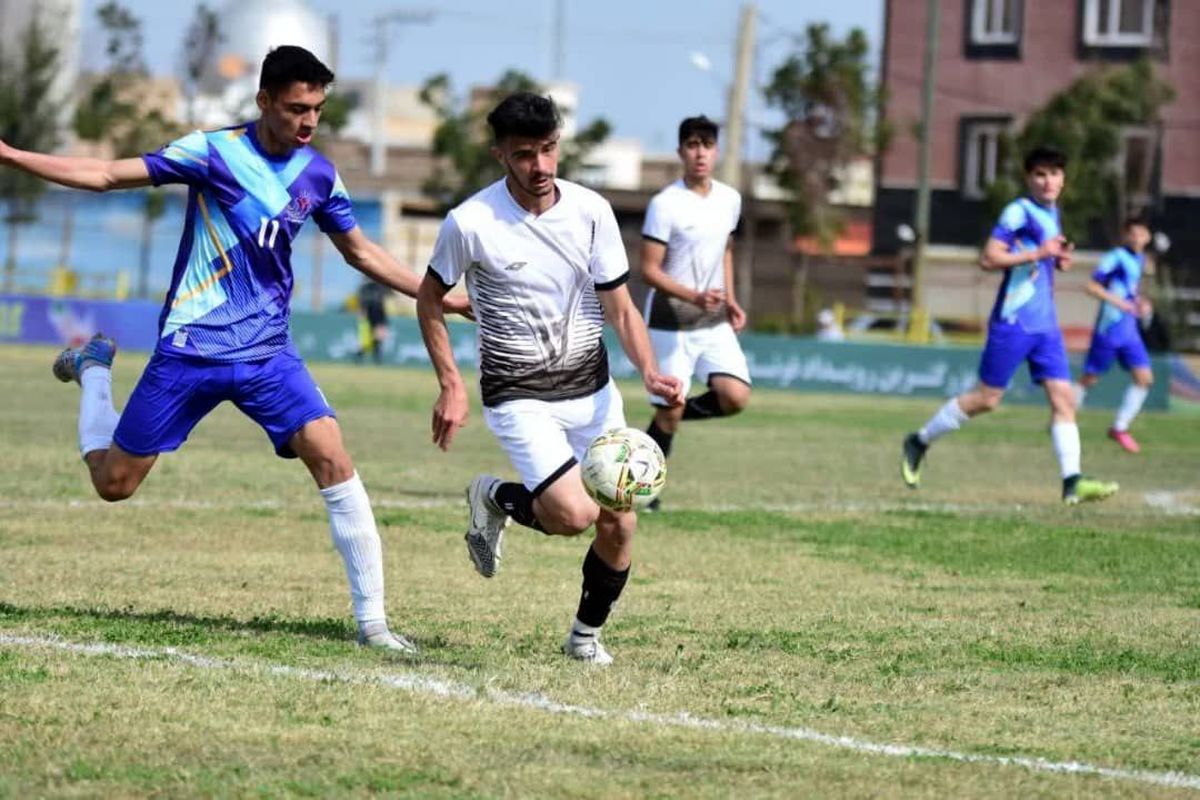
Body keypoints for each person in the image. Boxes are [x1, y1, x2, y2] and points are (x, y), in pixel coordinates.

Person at [0, 45, 471, 654]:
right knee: (114, 484)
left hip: (268, 355)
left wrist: (439, 295)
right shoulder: (212, 152)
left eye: (318, 110)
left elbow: (361, 253)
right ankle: (94, 371)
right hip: (190, 350)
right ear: (264, 101)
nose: (308, 122)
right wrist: (10, 155)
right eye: (297, 108)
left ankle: (374, 624)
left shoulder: (319, 175)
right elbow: (106, 176)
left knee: (333, 458)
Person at [415, 92, 684, 666]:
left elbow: (621, 308)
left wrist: (651, 371)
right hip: (518, 393)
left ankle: (584, 637)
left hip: (591, 390)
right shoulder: (471, 222)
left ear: (558, 144)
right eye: (523, 155)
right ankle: (493, 495)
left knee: (620, 522)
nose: (538, 166)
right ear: (500, 156)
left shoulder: (592, 211)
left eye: (547, 150)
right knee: (572, 515)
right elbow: (429, 298)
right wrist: (451, 383)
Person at [899, 146, 1118, 504]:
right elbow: (989, 258)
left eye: (1055, 174)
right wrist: (1038, 254)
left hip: (1045, 325)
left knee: (1064, 400)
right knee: (987, 399)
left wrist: (1055, 260)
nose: (1048, 181)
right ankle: (919, 440)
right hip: (1014, 321)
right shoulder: (1019, 210)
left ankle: (1072, 481)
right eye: (1040, 175)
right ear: (1029, 178)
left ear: (1064, 178)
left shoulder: (1052, 213)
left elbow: (1037, 260)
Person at [639, 115, 751, 511]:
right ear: (680, 152)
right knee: (669, 413)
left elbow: (726, 250)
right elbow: (649, 269)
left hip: (712, 318)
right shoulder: (665, 204)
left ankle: (660, 423)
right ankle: (644, 491)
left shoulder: (730, 199)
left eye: (706, 145)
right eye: (691, 145)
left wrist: (730, 299)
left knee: (735, 396)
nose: (699, 152)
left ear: (716, 151)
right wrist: (694, 294)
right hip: (670, 321)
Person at [1073, 218, 1155, 453]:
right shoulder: (1115, 257)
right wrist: (1120, 303)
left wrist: (1140, 303)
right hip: (1109, 327)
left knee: (1145, 379)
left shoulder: (1139, 260)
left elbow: (1129, 292)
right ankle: (1063, 415)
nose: (1138, 238)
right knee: (1090, 379)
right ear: (1125, 235)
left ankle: (1119, 427)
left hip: (1129, 330)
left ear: (1147, 236)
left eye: (1142, 233)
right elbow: (1091, 287)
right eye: (1133, 233)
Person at [355, 279, 390, 364]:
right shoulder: (365, 287)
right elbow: (362, 302)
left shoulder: (381, 286)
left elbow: (387, 296)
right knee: (367, 340)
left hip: (379, 315)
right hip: (369, 315)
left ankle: (377, 358)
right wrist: (362, 313)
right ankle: (360, 355)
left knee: (378, 338)